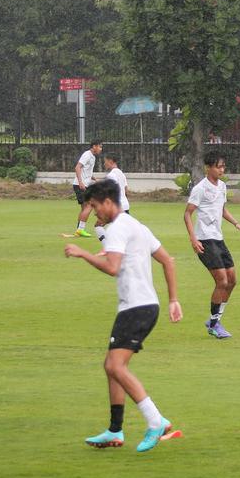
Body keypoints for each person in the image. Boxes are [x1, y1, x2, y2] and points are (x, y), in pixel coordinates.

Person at [64, 179, 182, 453]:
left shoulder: (116, 228)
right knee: (110, 366)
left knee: (116, 367)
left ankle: (155, 420)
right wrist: (173, 300)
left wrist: (83, 254)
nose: (94, 213)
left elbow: (113, 268)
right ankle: (115, 430)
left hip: (135, 307)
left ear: (108, 201)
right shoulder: (136, 225)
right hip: (145, 305)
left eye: (94, 207)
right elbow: (168, 260)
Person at [184, 152, 240, 338]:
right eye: (218, 166)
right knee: (222, 280)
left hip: (218, 239)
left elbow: (221, 210)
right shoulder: (200, 188)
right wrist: (193, 238)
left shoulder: (222, 187)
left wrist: (237, 224)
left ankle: (215, 318)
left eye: (223, 166)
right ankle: (213, 325)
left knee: (232, 280)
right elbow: (187, 214)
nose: (222, 169)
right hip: (204, 239)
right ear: (208, 168)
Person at [70, 140, 103, 238]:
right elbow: (77, 167)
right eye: (100, 146)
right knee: (89, 206)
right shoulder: (87, 155)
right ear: (94, 146)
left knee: (84, 208)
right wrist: (80, 182)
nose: (101, 149)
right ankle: (80, 229)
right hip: (80, 185)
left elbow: (86, 170)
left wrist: (93, 178)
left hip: (85, 184)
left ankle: (79, 230)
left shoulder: (92, 157)